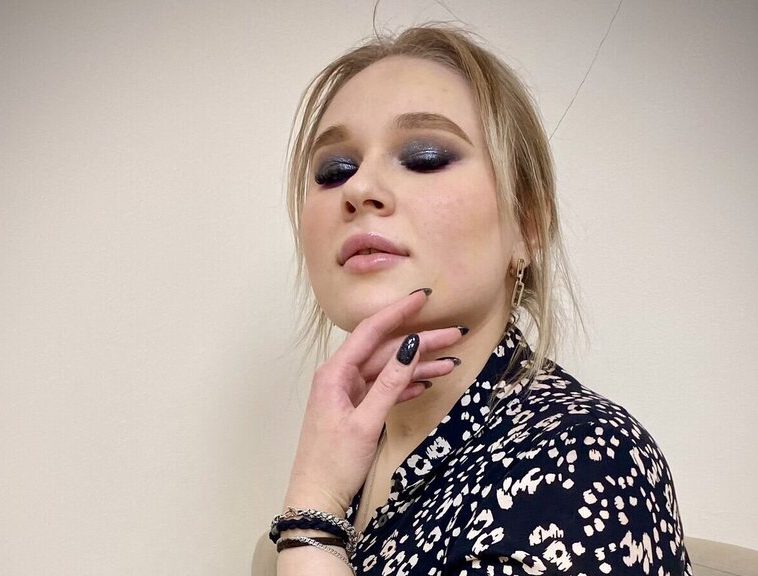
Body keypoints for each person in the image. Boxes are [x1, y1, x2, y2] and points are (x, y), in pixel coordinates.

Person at [265, 24, 692, 576]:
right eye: (334, 170)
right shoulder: (349, 461)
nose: (358, 187)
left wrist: (311, 518)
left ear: (527, 227)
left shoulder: (586, 460)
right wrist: (321, 495)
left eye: (425, 157)